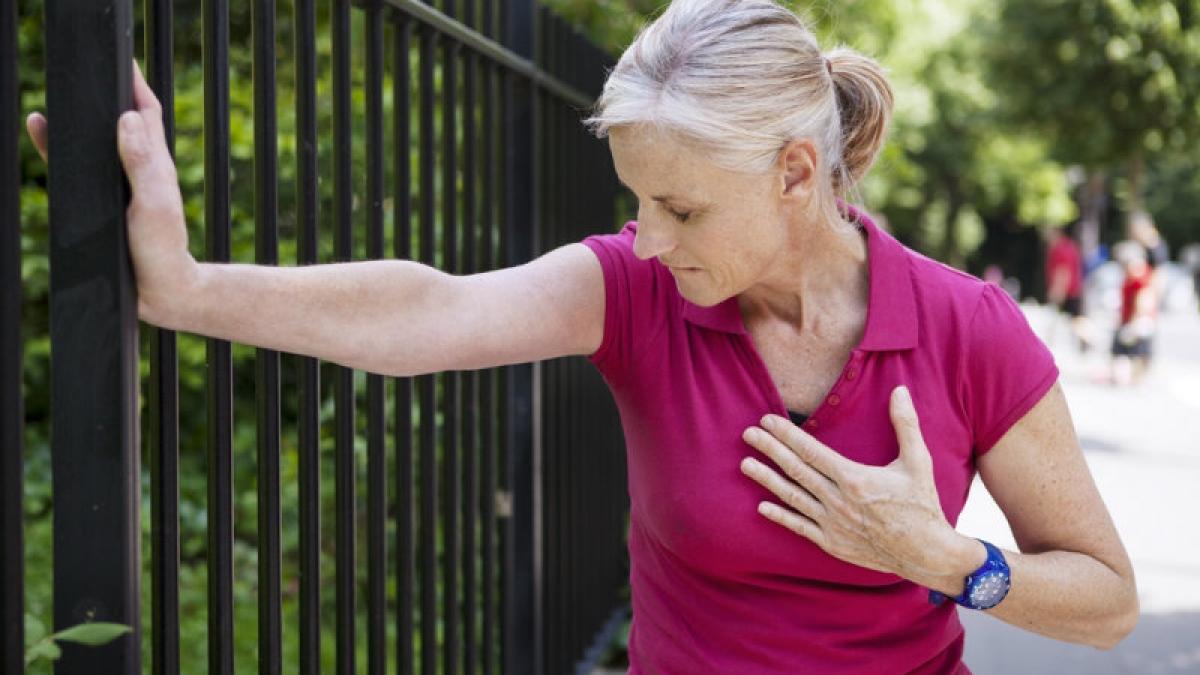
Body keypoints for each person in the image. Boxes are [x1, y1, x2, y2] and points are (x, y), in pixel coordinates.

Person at [26, 0, 1137, 671]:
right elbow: (433, 309)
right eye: (638, 201)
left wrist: (945, 561)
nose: (646, 240)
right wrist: (183, 289)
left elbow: (1106, 602)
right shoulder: (635, 292)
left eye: (684, 208)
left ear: (797, 172)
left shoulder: (964, 325)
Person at [1109, 241, 1157, 386]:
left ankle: (1133, 379)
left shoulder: (1139, 278)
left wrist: (1133, 322)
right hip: (1133, 319)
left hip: (1136, 321)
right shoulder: (1139, 275)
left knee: (1132, 350)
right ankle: (1131, 378)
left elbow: (1143, 301)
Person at [1043, 224, 1092, 351]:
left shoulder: (1060, 249)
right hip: (1075, 289)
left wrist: (1058, 292)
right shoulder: (1070, 246)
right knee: (1075, 319)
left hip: (1068, 291)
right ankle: (1088, 341)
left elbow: (1063, 272)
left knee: (1075, 320)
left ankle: (1089, 341)